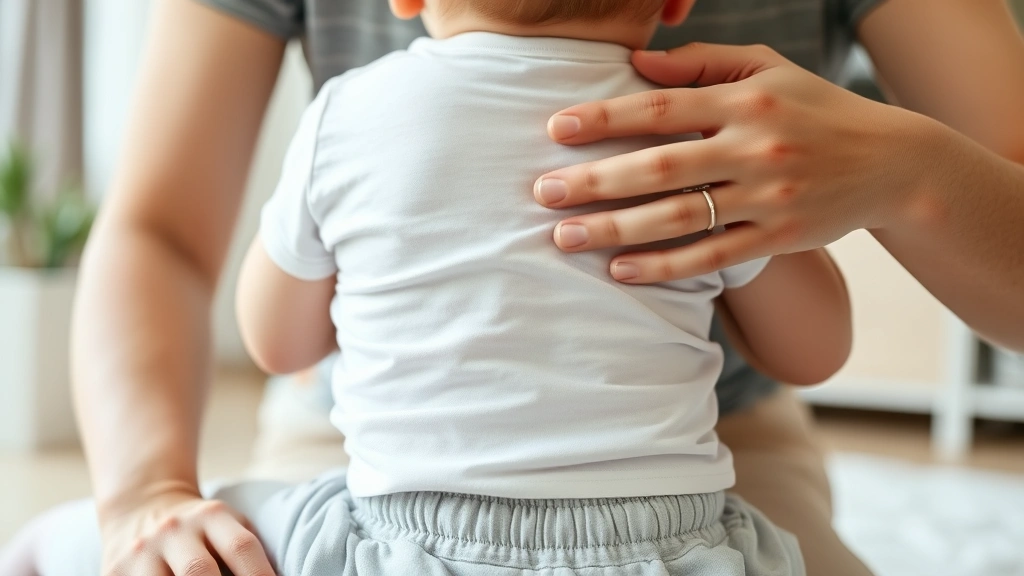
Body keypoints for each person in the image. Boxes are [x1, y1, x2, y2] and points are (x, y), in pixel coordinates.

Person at [2, 0, 1022, 574]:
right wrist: (147, 491)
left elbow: (275, 340)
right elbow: (814, 353)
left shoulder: (351, 116)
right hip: (674, 519)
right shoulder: (701, 123)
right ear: (675, 5)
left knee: (78, 550)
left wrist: (909, 169)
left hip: (389, 502)